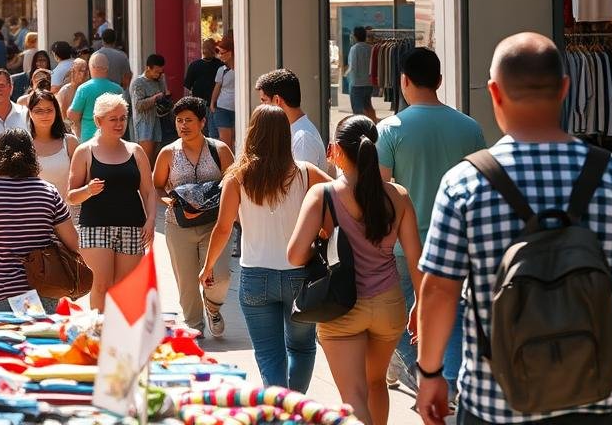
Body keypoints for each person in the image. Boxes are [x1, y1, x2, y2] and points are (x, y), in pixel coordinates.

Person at [415, 32, 612, 425]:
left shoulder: (464, 183)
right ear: (566, 89)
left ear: (494, 92)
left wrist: (430, 373)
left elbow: (437, 290)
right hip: (593, 394)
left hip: (495, 398)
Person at [287, 115, 422, 425]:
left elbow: (295, 255)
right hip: (389, 305)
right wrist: (419, 306)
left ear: (334, 150)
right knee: (376, 383)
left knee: (353, 396)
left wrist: (323, 242)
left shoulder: (323, 195)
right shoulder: (398, 195)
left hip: (341, 306)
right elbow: (417, 262)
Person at [373, 47, 485, 392]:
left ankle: (425, 378)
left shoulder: (389, 129)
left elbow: (381, 190)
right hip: (457, 243)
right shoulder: (470, 127)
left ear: (403, 81)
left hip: (406, 247)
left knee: (403, 320)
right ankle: (447, 384)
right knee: (450, 313)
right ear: (439, 80)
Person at [200, 105, 329, 390]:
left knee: (269, 353)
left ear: (252, 132)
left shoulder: (237, 177)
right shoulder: (306, 173)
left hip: (256, 275)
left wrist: (208, 266)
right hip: (300, 274)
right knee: (302, 347)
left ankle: (278, 412)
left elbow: (223, 228)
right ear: (285, 134)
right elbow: (341, 197)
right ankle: (294, 411)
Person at [0, 129, 80, 313]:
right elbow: (73, 242)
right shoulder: (49, 192)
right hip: (41, 289)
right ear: (32, 156)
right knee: (34, 341)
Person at [154, 97, 234, 338]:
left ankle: (213, 307)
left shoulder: (219, 150)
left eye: (189, 120)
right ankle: (194, 328)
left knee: (219, 276)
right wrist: (170, 201)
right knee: (187, 283)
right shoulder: (168, 153)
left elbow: (232, 184)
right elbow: (157, 185)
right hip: (179, 224)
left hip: (214, 224)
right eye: (179, 121)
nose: (183, 125)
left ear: (202, 122)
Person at [68, 94, 154, 311]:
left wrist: (151, 220)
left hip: (132, 225)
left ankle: (120, 337)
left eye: (122, 118)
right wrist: (88, 190)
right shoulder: (84, 151)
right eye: (113, 119)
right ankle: (99, 335)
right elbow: (71, 196)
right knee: (101, 286)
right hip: (95, 226)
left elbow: (148, 190)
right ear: (98, 121)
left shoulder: (136, 151)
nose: (119, 124)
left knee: (125, 288)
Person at [255, 68, 326, 171]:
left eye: (264, 100)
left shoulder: (303, 138)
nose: (261, 106)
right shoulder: (294, 131)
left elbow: (302, 184)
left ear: (277, 100)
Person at [28, 89, 78, 201]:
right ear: (30, 113)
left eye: (49, 110)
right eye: (38, 111)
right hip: (30, 215)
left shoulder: (70, 142)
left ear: (56, 111)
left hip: (65, 214)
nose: (45, 115)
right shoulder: (22, 144)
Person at [68, 52, 126, 141]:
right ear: (107, 68)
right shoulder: (118, 89)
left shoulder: (84, 89)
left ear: (91, 68)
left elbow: (72, 115)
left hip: (89, 140)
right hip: (114, 140)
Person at [130, 53, 169, 160]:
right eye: (156, 72)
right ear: (148, 68)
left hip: (159, 123)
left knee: (156, 160)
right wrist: (155, 98)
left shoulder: (160, 80)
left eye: (160, 72)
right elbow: (138, 105)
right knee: (145, 160)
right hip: (144, 124)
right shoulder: (138, 83)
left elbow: (165, 95)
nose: (158, 74)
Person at [184, 39, 224, 137]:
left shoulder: (220, 65)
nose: (206, 51)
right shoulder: (194, 65)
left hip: (215, 105)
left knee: (213, 133)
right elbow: (187, 87)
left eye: (210, 48)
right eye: (205, 48)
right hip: (199, 105)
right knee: (201, 132)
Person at [209, 36, 237, 149]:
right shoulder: (222, 70)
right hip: (222, 108)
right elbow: (217, 87)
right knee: (226, 144)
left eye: (222, 52)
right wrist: (212, 103)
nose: (220, 56)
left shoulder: (242, 68)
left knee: (236, 142)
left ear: (230, 52)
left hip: (237, 109)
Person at [345, 27, 375, 121]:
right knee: (368, 106)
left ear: (355, 36)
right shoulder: (370, 48)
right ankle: (374, 125)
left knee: (358, 110)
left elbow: (353, 66)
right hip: (368, 83)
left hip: (357, 84)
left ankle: (361, 129)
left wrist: (346, 73)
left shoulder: (354, 49)